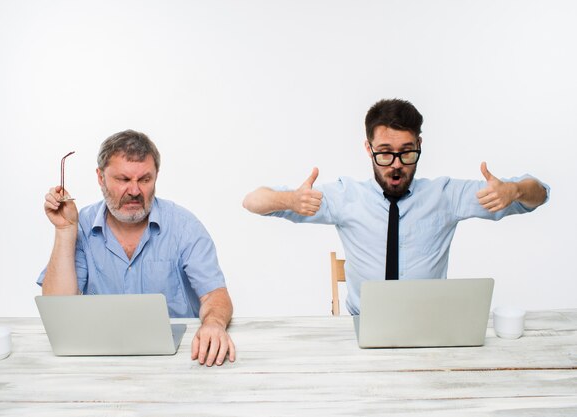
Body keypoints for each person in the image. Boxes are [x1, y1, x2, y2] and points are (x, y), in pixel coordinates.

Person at [242, 98, 549, 315]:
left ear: (419, 146)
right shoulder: (345, 196)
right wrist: (289, 200)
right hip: (361, 323)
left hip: (429, 324)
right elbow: (252, 201)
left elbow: (541, 195)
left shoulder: (444, 195)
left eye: (407, 152)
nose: (397, 166)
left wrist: (516, 190)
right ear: (369, 149)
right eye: (385, 153)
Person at [39, 129, 235, 366]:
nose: (134, 191)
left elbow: (215, 294)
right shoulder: (81, 225)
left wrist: (213, 324)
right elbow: (59, 311)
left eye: (144, 179)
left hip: (180, 359)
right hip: (99, 359)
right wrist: (64, 231)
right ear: (101, 177)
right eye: (123, 180)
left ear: (156, 177)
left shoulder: (184, 226)